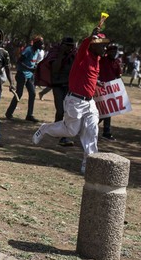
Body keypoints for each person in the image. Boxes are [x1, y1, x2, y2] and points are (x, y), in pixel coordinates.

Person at [32, 29, 109, 174]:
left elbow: (88, 75)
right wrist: (90, 37)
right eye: (102, 45)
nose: (105, 48)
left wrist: (96, 83)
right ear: (93, 45)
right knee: (71, 131)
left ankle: (88, 164)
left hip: (89, 103)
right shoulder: (83, 55)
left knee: (92, 132)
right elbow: (84, 46)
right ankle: (44, 129)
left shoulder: (97, 59)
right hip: (75, 101)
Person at [5, 35, 44, 122]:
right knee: (19, 93)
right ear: (36, 43)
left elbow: (33, 63)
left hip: (30, 75)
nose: (42, 45)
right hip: (21, 74)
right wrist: (29, 68)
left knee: (33, 93)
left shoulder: (37, 51)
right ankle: (9, 113)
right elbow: (19, 61)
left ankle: (29, 115)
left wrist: (35, 67)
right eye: (41, 43)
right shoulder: (28, 50)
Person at [47, 37, 77, 147]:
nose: (69, 48)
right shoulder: (55, 53)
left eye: (71, 46)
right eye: (67, 45)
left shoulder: (74, 54)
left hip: (70, 86)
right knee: (60, 110)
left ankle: (63, 136)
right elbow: (55, 68)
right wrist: (61, 54)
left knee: (68, 111)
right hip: (58, 85)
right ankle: (57, 129)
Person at [98, 43, 122, 141]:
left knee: (108, 111)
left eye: (115, 51)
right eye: (112, 51)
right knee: (102, 110)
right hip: (100, 88)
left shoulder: (117, 62)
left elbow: (118, 75)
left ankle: (106, 132)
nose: (114, 53)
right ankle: (93, 127)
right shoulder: (102, 60)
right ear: (108, 51)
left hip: (111, 89)